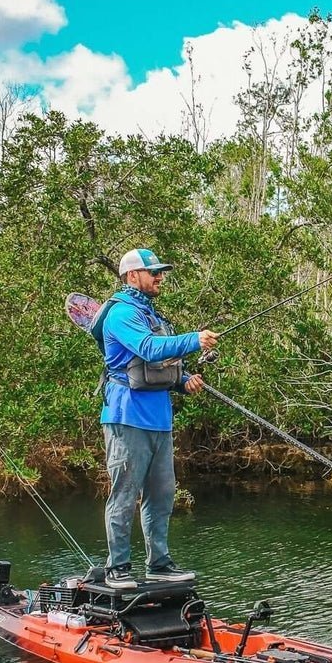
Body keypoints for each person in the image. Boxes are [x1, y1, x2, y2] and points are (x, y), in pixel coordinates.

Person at [97, 247, 218, 589]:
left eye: (160, 272)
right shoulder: (121, 314)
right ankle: (118, 568)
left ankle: (159, 564)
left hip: (159, 419)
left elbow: (158, 367)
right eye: (154, 272)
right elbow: (149, 349)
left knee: (162, 495)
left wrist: (183, 382)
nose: (160, 277)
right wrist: (194, 339)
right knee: (124, 494)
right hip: (126, 417)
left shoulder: (153, 315)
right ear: (132, 276)